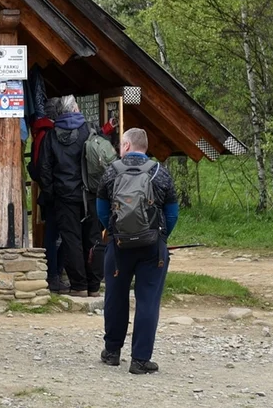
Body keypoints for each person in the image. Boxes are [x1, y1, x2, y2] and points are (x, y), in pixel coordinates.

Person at [96, 128, 179, 375]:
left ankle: (112, 352)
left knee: (115, 296)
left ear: (127, 146)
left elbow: (101, 209)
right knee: (148, 301)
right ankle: (140, 360)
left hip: (119, 246)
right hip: (152, 247)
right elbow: (172, 214)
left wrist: (113, 231)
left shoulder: (111, 171)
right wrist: (160, 237)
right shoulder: (160, 173)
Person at [38, 95, 101, 297]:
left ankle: (79, 286)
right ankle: (94, 285)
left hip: (64, 198)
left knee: (71, 240)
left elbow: (44, 170)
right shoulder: (90, 130)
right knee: (92, 239)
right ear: (76, 109)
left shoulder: (50, 136)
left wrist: (51, 195)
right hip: (90, 195)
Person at [29, 97, 65, 293]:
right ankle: (53, 274)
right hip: (53, 193)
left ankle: (54, 273)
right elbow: (43, 167)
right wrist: (51, 191)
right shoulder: (49, 135)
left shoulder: (39, 133)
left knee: (52, 234)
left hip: (47, 191)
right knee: (55, 235)